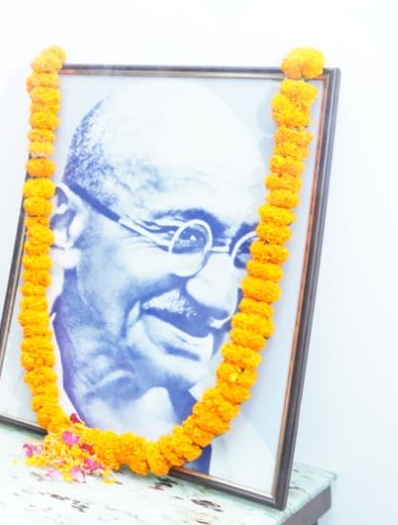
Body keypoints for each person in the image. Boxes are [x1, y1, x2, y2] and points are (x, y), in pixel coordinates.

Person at [48, 79, 274, 484]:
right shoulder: (11, 391)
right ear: (66, 226)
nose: (219, 301)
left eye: (243, 249)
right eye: (182, 236)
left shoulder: (245, 466)